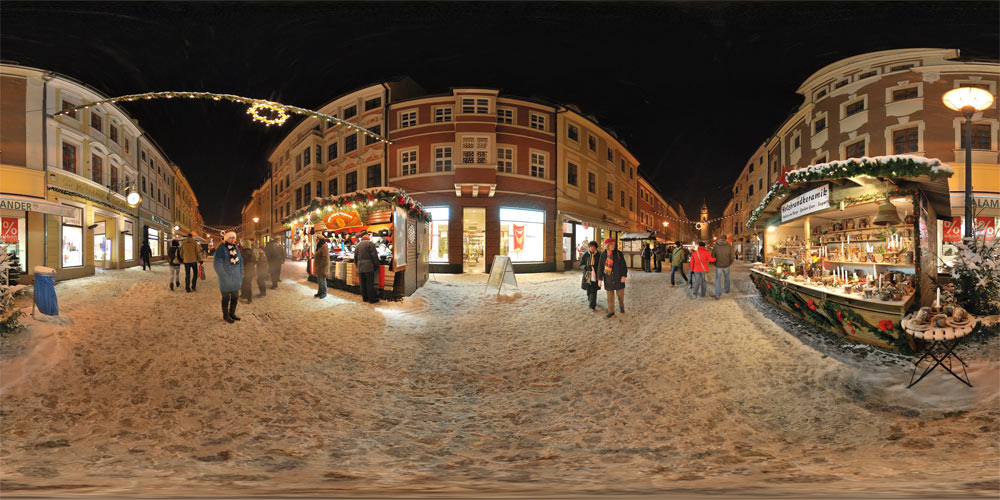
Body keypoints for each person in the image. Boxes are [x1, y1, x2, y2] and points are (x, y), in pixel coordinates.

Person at [213, 231, 244, 323]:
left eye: (234, 238)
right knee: (226, 298)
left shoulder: (236, 249)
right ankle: (225, 315)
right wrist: (225, 277)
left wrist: (241, 274)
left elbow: (241, 262)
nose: (233, 239)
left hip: (236, 278)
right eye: (231, 238)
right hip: (225, 279)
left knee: (235, 297)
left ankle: (232, 313)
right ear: (226, 238)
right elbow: (217, 265)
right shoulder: (221, 249)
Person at [596, 238, 628, 318]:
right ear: (608, 245)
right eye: (612, 244)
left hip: (618, 278)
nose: (614, 245)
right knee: (610, 297)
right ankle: (611, 311)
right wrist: (599, 279)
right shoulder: (603, 255)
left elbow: (623, 266)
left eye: (614, 244)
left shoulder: (618, 253)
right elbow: (600, 267)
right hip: (608, 278)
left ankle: (621, 306)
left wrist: (624, 276)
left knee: (620, 295)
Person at [354, 231, 381, 303]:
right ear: (366, 236)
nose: (370, 236)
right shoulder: (370, 244)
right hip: (368, 266)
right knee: (369, 283)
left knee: (362, 283)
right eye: (369, 235)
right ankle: (372, 299)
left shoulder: (358, 245)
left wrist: (357, 265)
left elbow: (355, 258)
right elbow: (374, 256)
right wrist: (376, 265)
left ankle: (365, 298)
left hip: (360, 266)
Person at [711, 234, 736, 300]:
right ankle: (726, 290)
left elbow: (713, 255)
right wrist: (730, 263)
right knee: (727, 278)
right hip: (726, 265)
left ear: (720, 238)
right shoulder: (729, 245)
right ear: (726, 238)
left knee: (718, 279)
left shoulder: (716, 245)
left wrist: (714, 263)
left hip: (718, 265)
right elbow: (732, 256)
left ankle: (717, 294)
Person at [580, 240, 601, 311]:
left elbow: (601, 265)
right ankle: (590, 298)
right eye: (590, 247)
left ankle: (592, 305)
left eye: (593, 247)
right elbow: (581, 264)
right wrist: (585, 267)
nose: (592, 248)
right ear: (589, 247)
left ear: (596, 247)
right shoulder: (586, 254)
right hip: (587, 274)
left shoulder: (599, 254)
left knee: (594, 288)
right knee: (588, 287)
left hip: (596, 274)